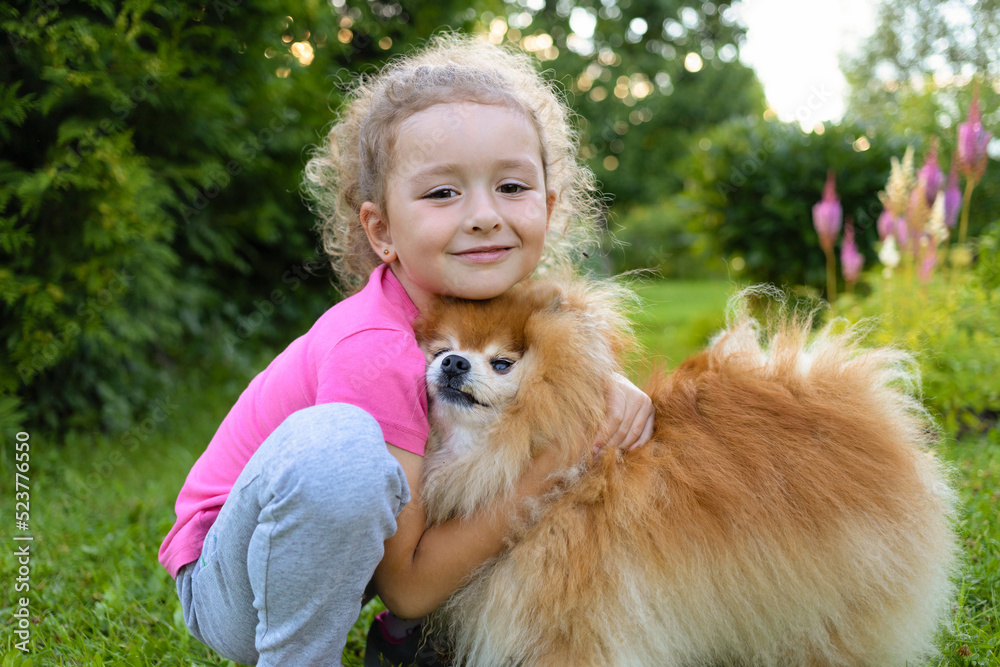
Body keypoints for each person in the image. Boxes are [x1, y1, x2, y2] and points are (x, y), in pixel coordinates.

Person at [159, 34, 655, 666]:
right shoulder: (377, 348)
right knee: (344, 453)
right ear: (382, 230)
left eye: (511, 186)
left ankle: (414, 646)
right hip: (239, 584)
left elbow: (552, 367)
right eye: (443, 193)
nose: (483, 215)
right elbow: (410, 583)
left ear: (549, 208)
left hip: (347, 558)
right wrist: (558, 454)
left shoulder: (487, 300)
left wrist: (602, 388)